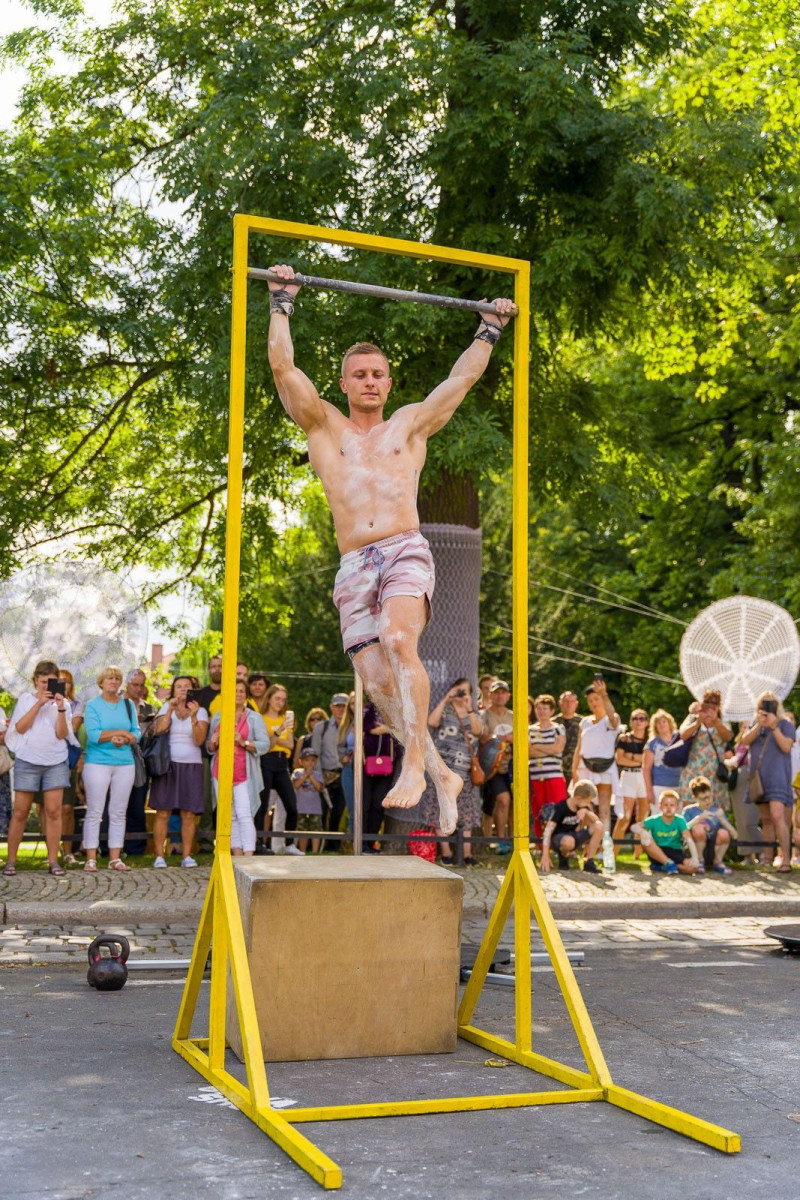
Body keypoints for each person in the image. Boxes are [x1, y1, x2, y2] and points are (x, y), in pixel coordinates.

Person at [266, 263, 515, 834]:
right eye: (360, 375)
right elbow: (283, 366)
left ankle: (413, 766)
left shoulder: (408, 426)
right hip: (354, 565)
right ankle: (438, 771)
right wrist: (282, 301)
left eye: (378, 373)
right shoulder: (324, 427)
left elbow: (459, 383)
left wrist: (488, 330)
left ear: (389, 382)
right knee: (377, 683)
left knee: (402, 642)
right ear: (345, 383)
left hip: (404, 547)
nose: (371, 382)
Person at [3, 660, 70, 876]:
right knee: (21, 811)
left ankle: (53, 861)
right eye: (43, 682)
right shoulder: (25, 699)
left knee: (53, 811)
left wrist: (60, 708)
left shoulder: (64, 704)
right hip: (28, 759)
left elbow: (62, 734)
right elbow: (20, 727)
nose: (46, 687)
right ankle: (11, 861)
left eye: (51, 682)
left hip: (55, 761)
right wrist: (38, 704)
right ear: (35, 681)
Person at [81, 666, 140, 872]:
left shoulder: (128, 705)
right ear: (101, 682)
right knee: (95, 810)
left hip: (125, 762)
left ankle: (115, 857)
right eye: (109, 679)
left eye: (116, 678)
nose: (113, 682)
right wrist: (117, 733)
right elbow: (93, 733)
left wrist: (125, 737)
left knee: (118, 811)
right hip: (98, 762)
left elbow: (137, 732)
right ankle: (91, 857)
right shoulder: (92, 705)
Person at [149, 675, 209, 867]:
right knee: (163, 812)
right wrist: (169, 711)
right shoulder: (167, 708)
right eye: (179, 687)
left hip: (191, 764)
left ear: (193, 690)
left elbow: (199, 741)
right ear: (173, 690)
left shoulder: (200, 712)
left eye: (187, 687)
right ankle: (159, 856)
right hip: (168, 765)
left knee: (188, 813)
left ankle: (186, 855)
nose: (183, 690)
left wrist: (193, 716)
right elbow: (159, 730)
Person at [206, 680, 269, 856]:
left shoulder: (254, 717)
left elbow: (265, 744)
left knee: (244, 813)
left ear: (246, 695)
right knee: (228, 814)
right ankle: (236, 853)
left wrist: (244, 742)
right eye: (235, 691)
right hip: (221, 772)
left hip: (244, 773)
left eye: (242, 691)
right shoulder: (219, 716)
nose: (239, 694)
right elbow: (209, 748)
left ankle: (248, 854)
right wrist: (213, 742)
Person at [426, 679, 482, 864]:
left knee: (466, 813)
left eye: (464, 692)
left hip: (464, 771)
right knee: (439, 810)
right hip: (442, 770)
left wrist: (469, 707)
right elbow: (431, 722)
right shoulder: (446, 709)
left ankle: (467, 854)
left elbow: (478, 731)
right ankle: (447, 853)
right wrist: (445, 699)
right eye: (458, 691)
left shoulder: (473, 713)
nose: (460, 695)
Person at [738, 691, 795, 872]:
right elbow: (744, 741)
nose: (766, 708)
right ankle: (767, 859)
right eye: (763, 705)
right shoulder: (756, 724)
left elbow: (786, 747)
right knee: (766, 819)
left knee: (778, 816)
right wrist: (758, 724)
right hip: (759, 779)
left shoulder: (785, 724)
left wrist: (773, 726)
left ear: (777, 707)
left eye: (769, 705)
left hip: (778, 778)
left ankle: (786, 860)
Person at [255, 683, 302, 855]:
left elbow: (290, 743)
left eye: (283, 700)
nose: (280, 703)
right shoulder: (260, 718)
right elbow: (265, 747)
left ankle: (289, 844)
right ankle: (258, 841)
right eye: (277, 699)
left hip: (283, 764)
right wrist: (278, 732)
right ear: (269, 699)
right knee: (263, 804)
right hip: (266, 762)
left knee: (291, 804)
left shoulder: (286, 719)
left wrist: (273, 737)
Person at [572, 678, 620, 832]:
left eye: (596, 698)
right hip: (585, 767)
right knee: (585, 808)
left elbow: (613, 719)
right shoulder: (584, 722)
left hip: (605, 768)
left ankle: (604, 846)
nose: (594, 702)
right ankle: (587, 845)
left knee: (604, 808)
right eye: (590, 700)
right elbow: (578, 747)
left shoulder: (611, 720)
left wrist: (604, 694)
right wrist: (574, 772)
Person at [677, 690, 733, 811]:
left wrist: (716, 721)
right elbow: (683, 735)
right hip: (692, 773)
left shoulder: (723, 720)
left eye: (715, 703)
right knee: (690, 810)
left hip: (714, 774)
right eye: (707, 702)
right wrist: (698, 721)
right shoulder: (693, 717)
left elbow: (728, 737)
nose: (711, 705)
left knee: (714, 812)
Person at [122, 668, 156, 856]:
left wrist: (151, 728)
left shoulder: (149, 708)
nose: (139, 689)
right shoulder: (118, 704)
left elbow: (155, 733)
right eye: (135, 685)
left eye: (142, 685)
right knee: (117, 804)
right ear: (127, 684)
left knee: (137, 803)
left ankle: (135, 848)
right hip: (119, 755)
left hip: (141, 759)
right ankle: (110, 847)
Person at [310, 693, 349, 850]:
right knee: (322, 812)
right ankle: (320, 845)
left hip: (344, 774)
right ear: (331, 707)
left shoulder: (353, 727)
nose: (340, 709)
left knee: (339, 812)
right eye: (337, 706)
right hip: (325, 775)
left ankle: (334, 846)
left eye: (343, 706)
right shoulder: (322, 727)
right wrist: (318, 778)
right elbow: (315, 753)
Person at [361, 701, 400, 853]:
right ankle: (361, 842)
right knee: (364, 805)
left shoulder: (396, 708)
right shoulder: (367, 708)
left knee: (378, 804)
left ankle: (371, 843)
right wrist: (379, 730)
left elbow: (401, 730)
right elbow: (365, 727)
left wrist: (387, 729)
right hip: (366, 763)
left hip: (387, 764)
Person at [479, 680, 514, 854]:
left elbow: (522, 737)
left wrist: (505, 738)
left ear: (508, 696)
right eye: (496, 692)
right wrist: (504, 738)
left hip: (513, 766)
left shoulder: (513, 716)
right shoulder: (484, 715)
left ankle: (514, 840)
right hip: (494, 768)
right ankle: (500, 840)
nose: (500, 695)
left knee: (515, 804)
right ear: (490, 695)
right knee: (503, 800)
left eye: (503, 692)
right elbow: (483, 737)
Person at [540, 780, 603, 874]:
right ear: (578, 798)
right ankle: (563, 857)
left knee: (599, 826)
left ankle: (589, 861)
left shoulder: (583, 806)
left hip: (574, 836)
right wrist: (545, 855)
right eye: (588, 801)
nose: (588, 804)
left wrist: (587, 812)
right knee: (569, 841)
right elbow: (548, 831)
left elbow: (597, 821)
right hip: (559, 839)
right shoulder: (560, 807)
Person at [611, 709, 650, 859]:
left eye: (641, 718)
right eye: (635, 718)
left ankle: (637, 855)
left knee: (643, 818)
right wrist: (641, 760)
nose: (638, 721)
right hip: (628, 777)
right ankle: (612, 854)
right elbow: (620, 759)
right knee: (624, 817)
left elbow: (649, 761)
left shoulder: (650, 740)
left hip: (644, 777)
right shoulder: (624, 738)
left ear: (646, 722)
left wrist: (632, 756)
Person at [632, 790, 700, 875]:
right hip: (657, 851)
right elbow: (633, 827)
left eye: (672, 805)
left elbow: (688, 839)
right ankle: (668, 863)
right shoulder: (654, 820)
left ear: (677, 807)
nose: (668, 808)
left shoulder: (680, 820)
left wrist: (695, 857)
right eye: (666, 805)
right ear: (660, 807)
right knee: (646, 839)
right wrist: (642, 831)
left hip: (675, 851)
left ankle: (664, 867)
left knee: (693, 868)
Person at [527, 694, 566, 843]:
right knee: (539, 810)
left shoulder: (558, 728)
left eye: (545, 708)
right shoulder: (529, 729)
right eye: (539, 708)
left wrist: (537, 746)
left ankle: (559, 842)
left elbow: (558, 748)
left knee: (558, 810)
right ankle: (540, 844)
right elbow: (528, 752)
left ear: (552, 711)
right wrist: (548, 748)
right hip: (536, 776)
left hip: (555, 775)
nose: (542, 711)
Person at [682, 775, 736, 874]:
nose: (707, 801)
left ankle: (717, 862)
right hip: (693, 850)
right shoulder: (689, 811)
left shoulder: (717, 811)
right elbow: (681, 832)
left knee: (723, 833)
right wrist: (698, 819)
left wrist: (722, 820)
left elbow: (734, 835)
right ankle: (700, 861)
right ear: (695, 798)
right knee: (698, 828)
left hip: (714, 849)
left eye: (709, 797)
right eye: (703, 798)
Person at [58, 667, 85, 865]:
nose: (62, 685)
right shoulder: (42, 703)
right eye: (58, 681)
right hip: (44, 757)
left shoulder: (76, 705)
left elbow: (71, 729)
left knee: (67, 807)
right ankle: (52, 850)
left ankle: (68, 851)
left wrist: (61, 707)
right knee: (46, 808)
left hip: (67, 758)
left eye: (66, 681)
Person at [642, 709, 681, 814]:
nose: (661, 724)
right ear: (655, 726)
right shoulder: (652, 744)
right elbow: (646, 768)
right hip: (659, 786)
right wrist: (649, 791)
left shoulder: (680, 739)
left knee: (678, 819)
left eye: (664, 721)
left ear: (669, 723)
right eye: (658, 723)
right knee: (659, 818)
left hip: (679, 785)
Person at [292, 746, 325, 853]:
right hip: (301, 808)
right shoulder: (297, 773)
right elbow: (296, 785)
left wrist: (311, 776)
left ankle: (315, 852)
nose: (310, 763)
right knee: (302, 831)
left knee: (316, 831)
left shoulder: (317, 774)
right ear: (301, 762)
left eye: (312, 760)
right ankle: (302, 851)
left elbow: (319, 787)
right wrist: (304, 776)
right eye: (307, 760)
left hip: (315, 809)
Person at [557, 691, 582, 780]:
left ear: (576, 704)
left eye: (572, 701)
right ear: (560, 703)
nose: (569, 704)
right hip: (557, 770)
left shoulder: (583, 723)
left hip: (577, 769)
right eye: (566, 701)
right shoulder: (553, 723)